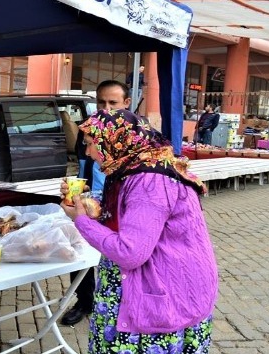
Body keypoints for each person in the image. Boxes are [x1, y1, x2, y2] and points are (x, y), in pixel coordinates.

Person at [61, 108, 218, 353]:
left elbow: (130, 252)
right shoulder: (138, 167)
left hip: (158, 298)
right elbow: (132, 218)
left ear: (116, 141)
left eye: (92, 144)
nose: (89, 153)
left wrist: (82, 221)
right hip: (158, 289)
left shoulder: (149, 181)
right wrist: (91, 208)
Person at [61, 79, 130, 326]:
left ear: (127, 104)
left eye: (113, 102)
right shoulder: (90, 130)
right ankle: (84, 301)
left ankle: (119, 306)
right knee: (79, 248)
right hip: (94, 206)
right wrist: (80, 191)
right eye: (101, 102)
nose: (106, 107)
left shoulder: (132, 138)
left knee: (115, 261)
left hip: (120, 216)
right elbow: (86, 167)